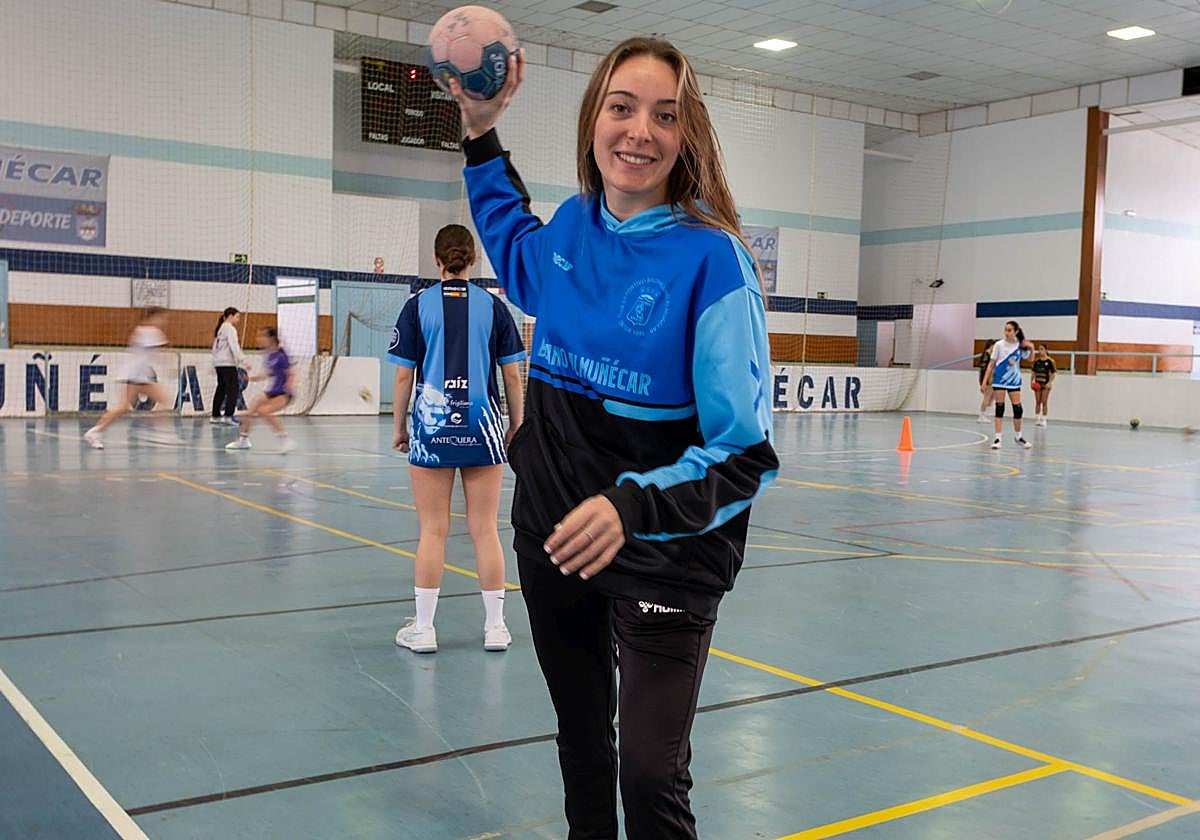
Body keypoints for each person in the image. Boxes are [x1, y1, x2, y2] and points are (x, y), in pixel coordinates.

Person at [448, 37, 779, 839]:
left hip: (665, 552)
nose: (639, 131)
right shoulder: (571, 228)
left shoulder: (714, 261)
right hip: (556, 537)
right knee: (583, 743)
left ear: (687, 134)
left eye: (665, 115)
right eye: (621, 108)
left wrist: (629, 507)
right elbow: (512, 241)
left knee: (650, 776)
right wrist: (480, 132)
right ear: (593, 119)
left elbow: (744, 454)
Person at [387, 224, 527, 654]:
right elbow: (512, 376)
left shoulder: (417, 306)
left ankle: (425, 629)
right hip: (483, 428)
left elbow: (404, 376)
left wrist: (399, 427)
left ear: (436, 260)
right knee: (485, 529)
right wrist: (516, 425)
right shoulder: (495, 307)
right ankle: (496, 627)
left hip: (432, 430)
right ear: (473, 260)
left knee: (433, 530)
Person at [84, 308, 172, 449]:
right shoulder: (149, 332)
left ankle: (163, 434)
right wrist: (169, 365)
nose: (164, 321)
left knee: (163, 399)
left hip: (142, 377)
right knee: (123, 407)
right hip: (133, 376)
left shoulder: (148, 332)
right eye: (161, 318)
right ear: (152, 317)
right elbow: (160, 349)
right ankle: (94, 432)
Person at [224, 326, 295, 453]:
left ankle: (285, 440)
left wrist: (289, 386)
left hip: (284, 393)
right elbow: (269, 374)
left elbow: (291, 373)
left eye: (262, 336)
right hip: (273, 391)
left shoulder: (281, 354)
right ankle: (243, 440)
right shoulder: (269, 355)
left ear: (271, 338)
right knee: (250, 410)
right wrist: (252, 378)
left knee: (264, 411)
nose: (259, 339)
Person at [981, 320, 1034, 449]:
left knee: (1018, 409)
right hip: (999, 379)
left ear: (1016, 331)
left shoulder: (1019, 346)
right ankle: (998, 438)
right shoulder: (999, 345)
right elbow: (991, 364)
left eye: (1009, 330)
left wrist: (1032, 348)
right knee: (1000, 407)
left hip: (1014, 381)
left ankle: (1018, 436)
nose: (1007, 332)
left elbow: (1030, 359)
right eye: (1005, 330)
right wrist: (984, 381)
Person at [211, 306, 247, 426]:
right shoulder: (230, 329)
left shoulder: (220, 328)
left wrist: (215, 361)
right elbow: (234, 346)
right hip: (227, 364)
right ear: (230, 316)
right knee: (233, 390)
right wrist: (243, 359)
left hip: (219, 364)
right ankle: (228, 416)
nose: (238, 319)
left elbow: (214, 348)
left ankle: (215, 415)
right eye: (237, 317)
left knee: (221, 388)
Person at [1031, 344, 1056, 427]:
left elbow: (1053, 374)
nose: (1040, 351)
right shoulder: (1036, 361)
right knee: (1037, 401)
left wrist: (1049, 382)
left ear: (1046, 350)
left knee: (1044, 401)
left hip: (1046, 384)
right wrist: (1031, 382)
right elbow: (1033, 372)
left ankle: (1044, 419)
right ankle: (1037, 419)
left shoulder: (1050, 361)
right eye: (1039, 349)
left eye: (1042, 349)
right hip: (1037, 384)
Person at [976, 339, 995, 422]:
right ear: (991, 345)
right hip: (988, 378)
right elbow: (987, 368)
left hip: (986, 377)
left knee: (992, 396)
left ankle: (986, 414)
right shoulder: (989, 354)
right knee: (987, 396)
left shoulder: (985, 354)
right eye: (994, 345)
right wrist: (986, 380)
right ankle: (982, 415)